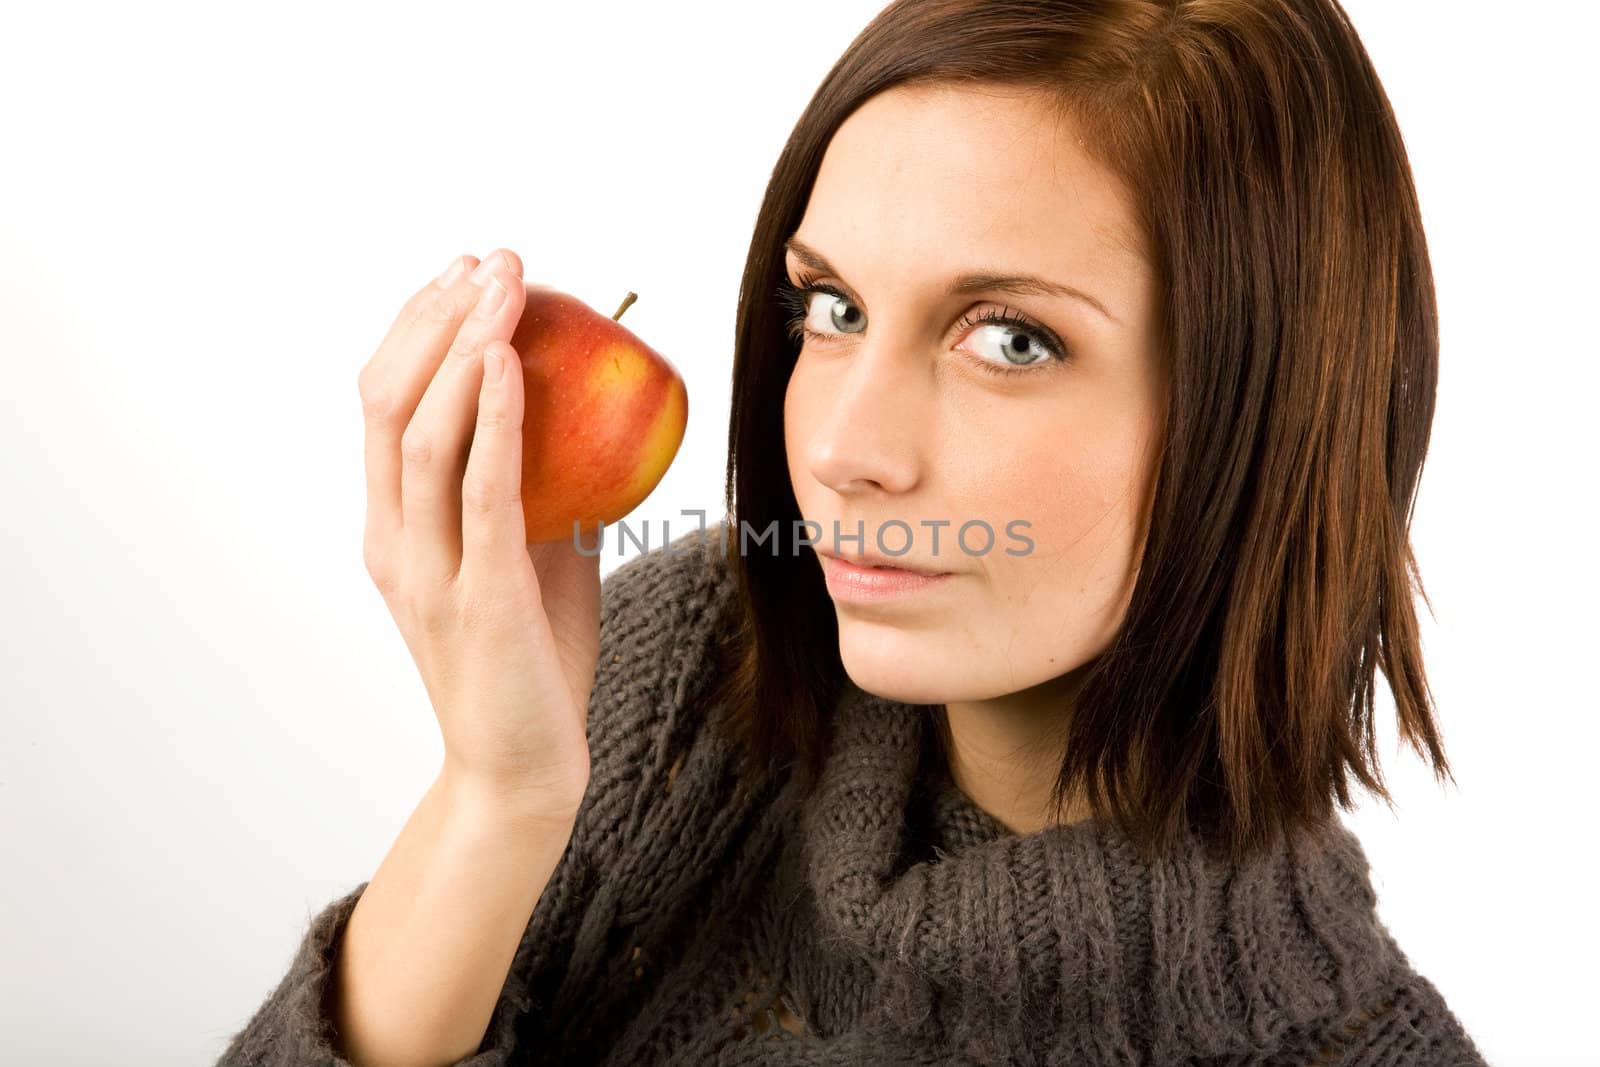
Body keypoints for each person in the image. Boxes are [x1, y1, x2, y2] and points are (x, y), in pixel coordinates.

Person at [216, 0, 1491, 1064]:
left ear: (1269, 408)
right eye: (830, 309)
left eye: (1010, 337)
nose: (838, 448)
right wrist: (498, 798)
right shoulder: (690, 675)